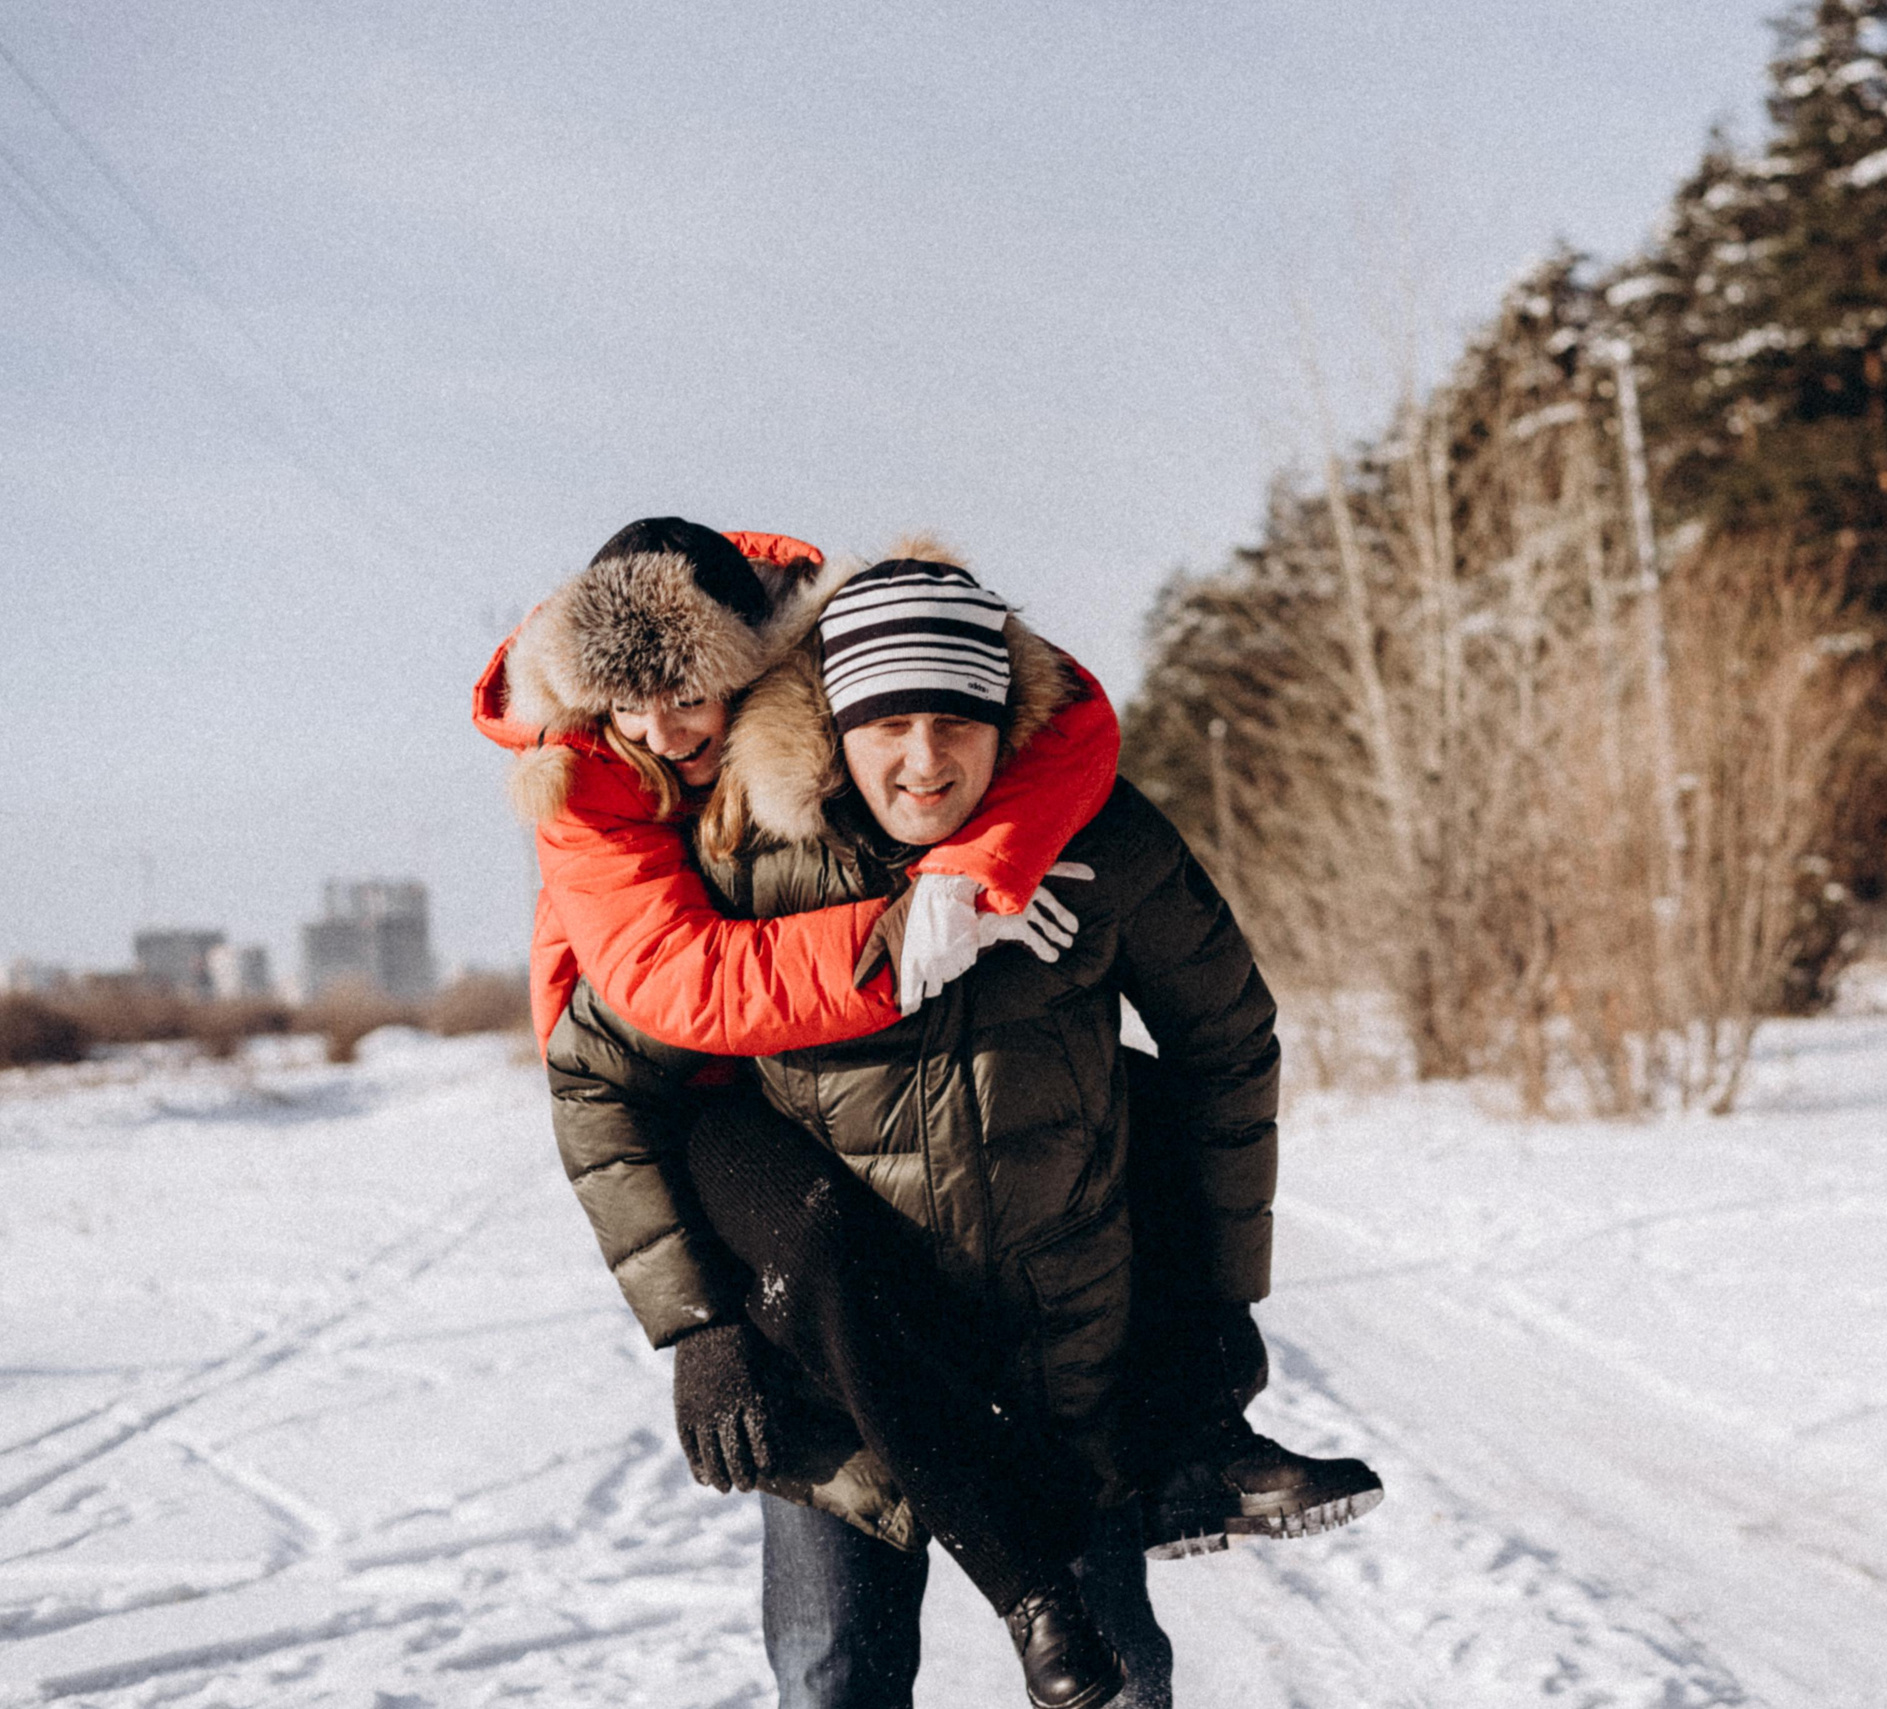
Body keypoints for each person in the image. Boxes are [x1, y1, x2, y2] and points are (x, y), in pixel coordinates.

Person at [479, 523, 1381, 1708]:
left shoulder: (1080, 841)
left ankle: (1194, 1440)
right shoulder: (720, 854)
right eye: (884, 725)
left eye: (955, 720)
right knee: (834, 1676)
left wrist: (1210, 1314)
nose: (920, 758)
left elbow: (1222, 1032)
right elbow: (622, 1042)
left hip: (1060, 1358)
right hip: (833, 1369)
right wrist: (699, 1326)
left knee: (1114, 1679)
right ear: (827, 724)